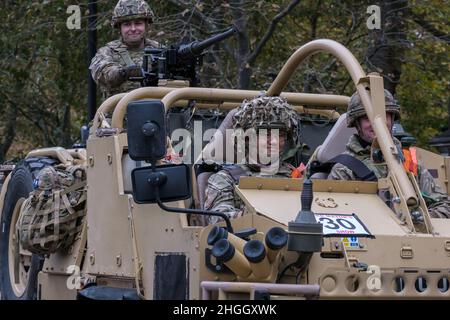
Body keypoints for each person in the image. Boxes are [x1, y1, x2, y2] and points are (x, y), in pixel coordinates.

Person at [328, 89, 450, 218]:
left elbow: (445, 206)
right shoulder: (344, 169)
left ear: (392, 119)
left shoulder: (409, 162)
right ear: (357, 123)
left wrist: (421, 219)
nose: (378, 124)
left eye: (384, 116)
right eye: (367, 118)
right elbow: (338, 216)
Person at [204, 96, 304, 224]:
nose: (273, 141)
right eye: (266, 134)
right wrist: (251, 215)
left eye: (280, 135)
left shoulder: (296, 177)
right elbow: (217, 220)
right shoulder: (227, 178)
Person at [89, 0, 159, 99]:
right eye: (127, 24)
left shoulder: (159, 50)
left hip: (156, 112)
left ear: (146, 25)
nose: (133, 29)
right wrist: (124, 73)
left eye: (138, 23)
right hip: (119, 113)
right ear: (119, 27)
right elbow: (103, 75)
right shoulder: (108, 52)